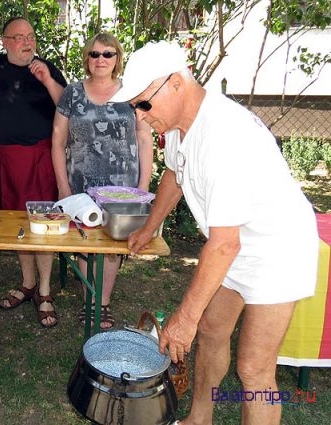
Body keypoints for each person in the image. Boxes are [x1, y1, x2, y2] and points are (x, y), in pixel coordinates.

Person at [120, 41, 318, 424]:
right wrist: (150, 225)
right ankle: (198, 420)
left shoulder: (224, 136)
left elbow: (224, 242)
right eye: (135, 108)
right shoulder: (181, 123)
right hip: (234, 243)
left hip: (277, 251)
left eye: (144, 105)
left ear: (176, 84)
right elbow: (176, 175)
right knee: (211, 330)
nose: (141, 118)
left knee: (253, 368)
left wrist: (183, 318)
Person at [51, 32, 153, 329]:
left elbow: (145, 139)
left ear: (117, 59)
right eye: (95, 54)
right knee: (86, 241)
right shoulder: (72, 93)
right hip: (80, 182)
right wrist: (63, 186)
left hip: (123, 187)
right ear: (87, 58)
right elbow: (57, 141)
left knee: (112, 244)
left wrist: (143, 188)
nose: (101, 60)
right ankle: (89, 301)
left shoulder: (134, 93)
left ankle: (102, 302)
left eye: (108, 54)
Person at [0, 17, 67, 328]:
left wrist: (47, 81)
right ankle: (28, 283)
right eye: (19, 38)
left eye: (31, 36)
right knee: (18, 223)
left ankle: (44, 291)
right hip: (7, 157)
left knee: (44, 223)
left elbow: (68, 107)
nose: (27, 43)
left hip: (41, 156)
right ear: (5, 42)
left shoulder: (47, 67)